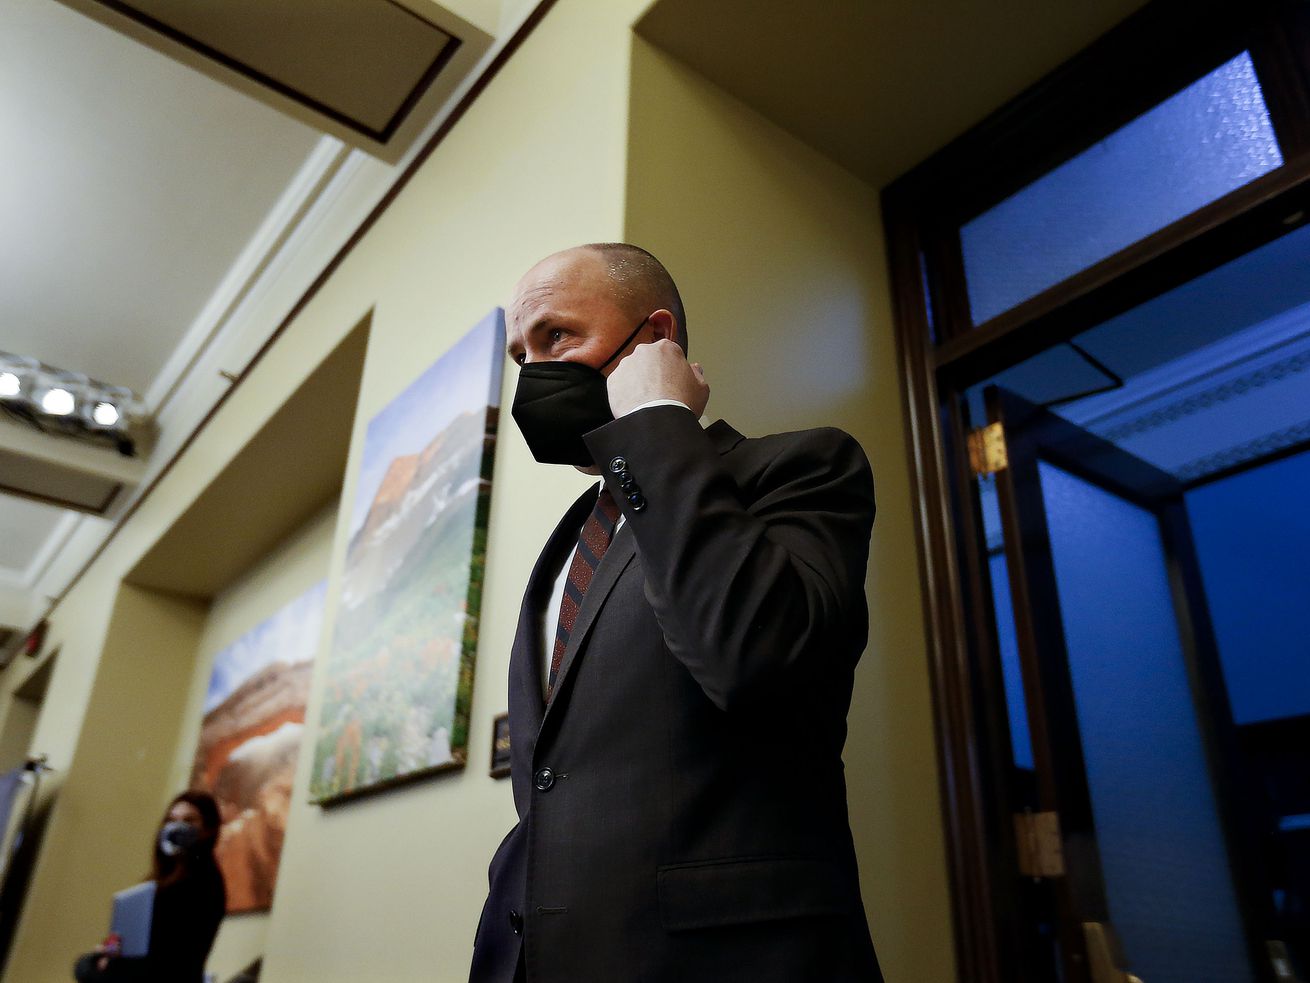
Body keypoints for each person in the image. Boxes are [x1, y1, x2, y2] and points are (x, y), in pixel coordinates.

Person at [469, 244, 883, 982]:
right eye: (520, 354)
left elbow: (752, 657)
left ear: (656, 337)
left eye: (556, 336)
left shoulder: (803, 467)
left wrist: (658, 419)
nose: (533, 372)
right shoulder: (567, 541)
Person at [74, 790, 226, 983]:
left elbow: (172, 960)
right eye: (171, 819)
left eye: (189, 820)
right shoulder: (159, 883)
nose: (176, 827)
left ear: (208, 830)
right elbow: (126, 940)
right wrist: (109, 953)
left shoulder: (203, 883)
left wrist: (108, 965)